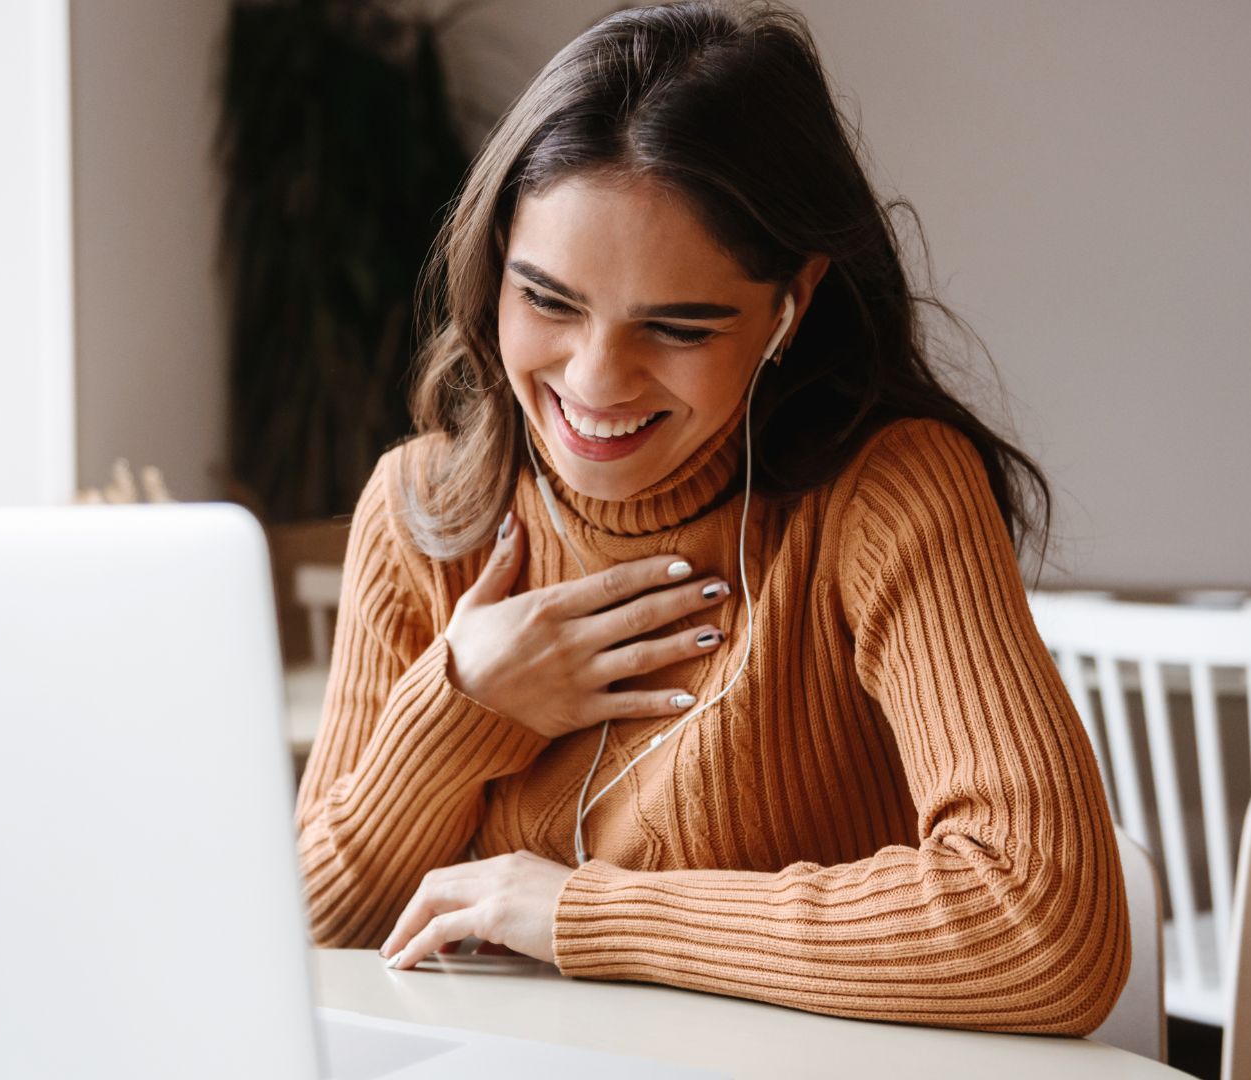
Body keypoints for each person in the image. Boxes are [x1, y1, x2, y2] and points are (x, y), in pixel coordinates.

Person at [295, 0, 1128, 1034]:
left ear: (790, 305)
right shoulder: (426, 506)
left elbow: (1042, 929)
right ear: (494, 262)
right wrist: (465, 708)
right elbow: (310, 930)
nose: (594, 383)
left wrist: (584, 915)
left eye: (678, 326)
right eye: (548, 300)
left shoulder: (889, 493)